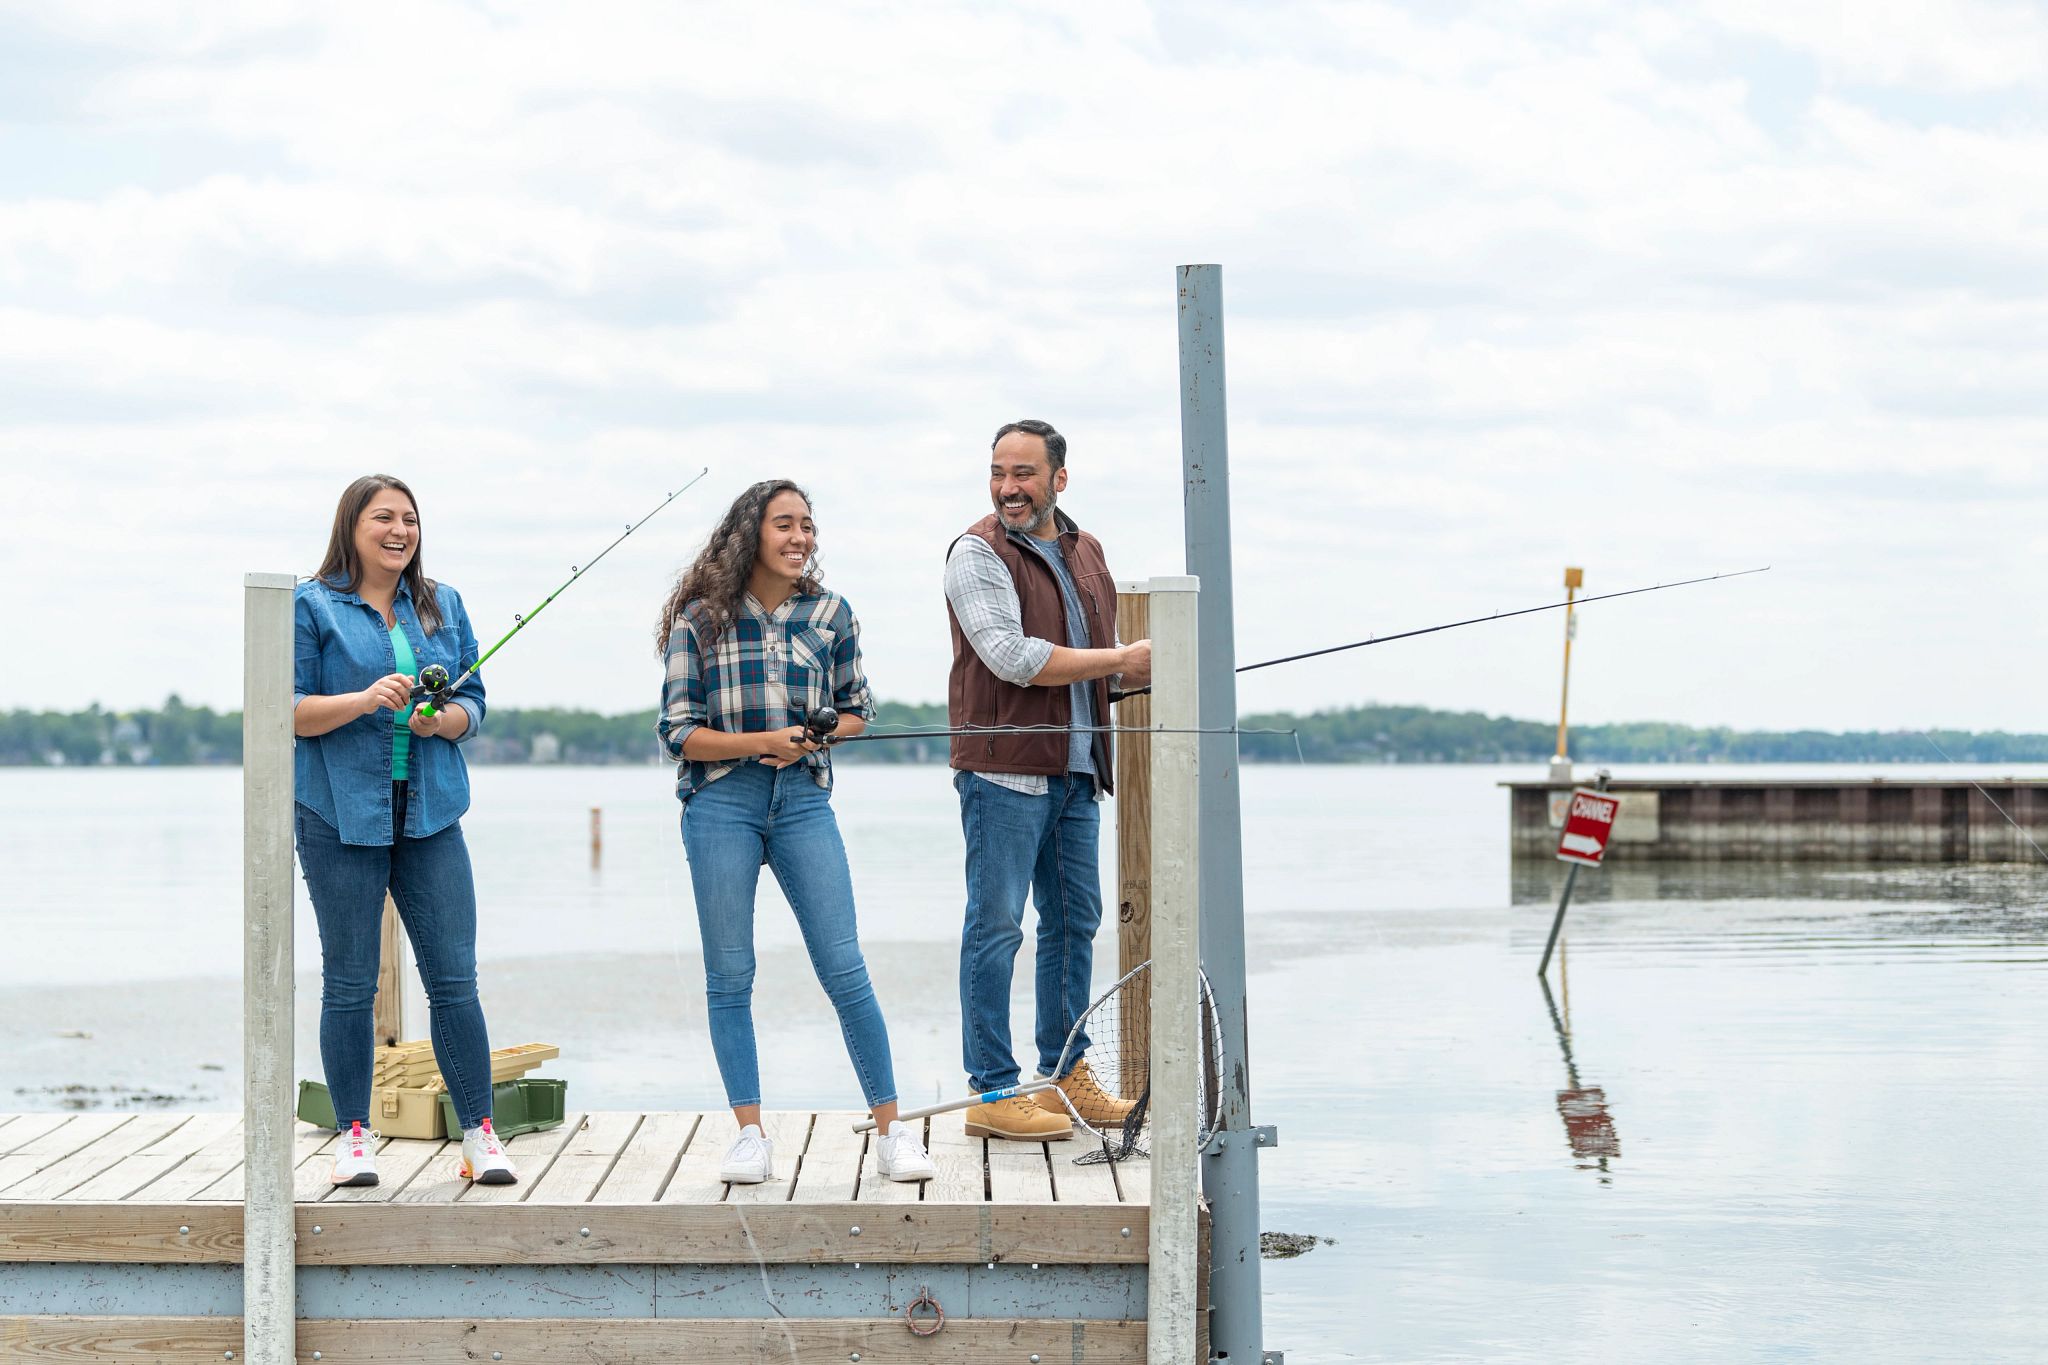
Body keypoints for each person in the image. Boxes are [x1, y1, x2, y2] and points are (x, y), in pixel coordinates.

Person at [655, 479, 935, 1185]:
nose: (800, 537)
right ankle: (750, 1136)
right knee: (731, 975)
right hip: (722, 804)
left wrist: (814, 736)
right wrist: (759, 741)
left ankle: (892, 1130)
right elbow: (679, 733)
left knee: (845, 969)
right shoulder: (700, 618)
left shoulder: (832, 612)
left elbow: (857, 712)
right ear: (751, 532)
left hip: (804, 801)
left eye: (808, 525)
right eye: (785, 524)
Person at [292, 475, 515, 1188]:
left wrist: (439, 719)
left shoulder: (442, 602)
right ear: (351, 526)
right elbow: (286, 709)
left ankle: (480, 1134)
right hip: (338, 815)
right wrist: (363, 700)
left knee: (455, 979)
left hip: (432, 814)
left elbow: (473, 703)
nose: (399, 530)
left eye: (410, 519)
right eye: (384, 517)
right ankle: (354, 1137)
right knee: (349, 983)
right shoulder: (310, 605)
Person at [943, 419, 1151, 1140]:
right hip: (1001, 775)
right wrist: (1121, 660)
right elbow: (1010, 655)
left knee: (1073, 924)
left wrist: (1129, 669)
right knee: (996, 928)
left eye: (1024, 473)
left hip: (1077, 773)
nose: (1009, 487)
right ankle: (994, 1090)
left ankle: (1065, 1077)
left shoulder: (1086, 552)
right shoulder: (975, 553)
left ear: (1059, 478)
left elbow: (1093, 666)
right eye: (999, 472)